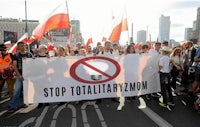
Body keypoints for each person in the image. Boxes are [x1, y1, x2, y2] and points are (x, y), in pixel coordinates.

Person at [8, 41, 33, 113]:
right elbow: (15, 67)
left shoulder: (29, 54)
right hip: (20, 75)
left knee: (26, 90)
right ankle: (13, 106)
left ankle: (24, 103)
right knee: (17, 91)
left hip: (27, 76)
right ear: (18, 47)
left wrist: (34, 59)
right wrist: (19, 75)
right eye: (21, 45)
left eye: (24, 45)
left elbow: (33, 64)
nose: (23, 46)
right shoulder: (16, 55)